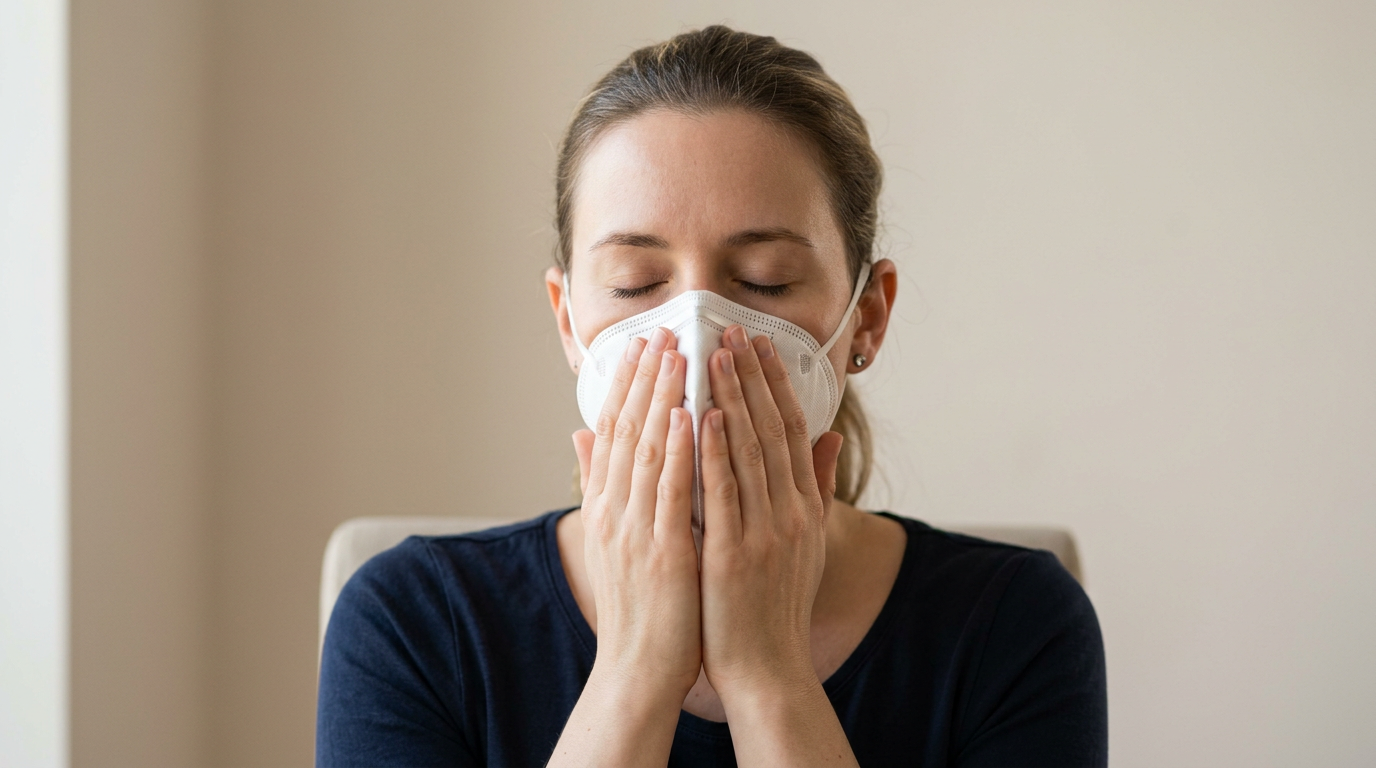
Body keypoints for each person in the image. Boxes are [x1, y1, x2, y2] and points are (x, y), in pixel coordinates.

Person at [316, 26, 1107, 767]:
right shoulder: (412, 620)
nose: (697, 335)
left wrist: (770, 678)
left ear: (867, 315)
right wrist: (632, 673)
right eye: (636, 284)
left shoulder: (1015, 623)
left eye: (764, 281)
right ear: (567, 321)